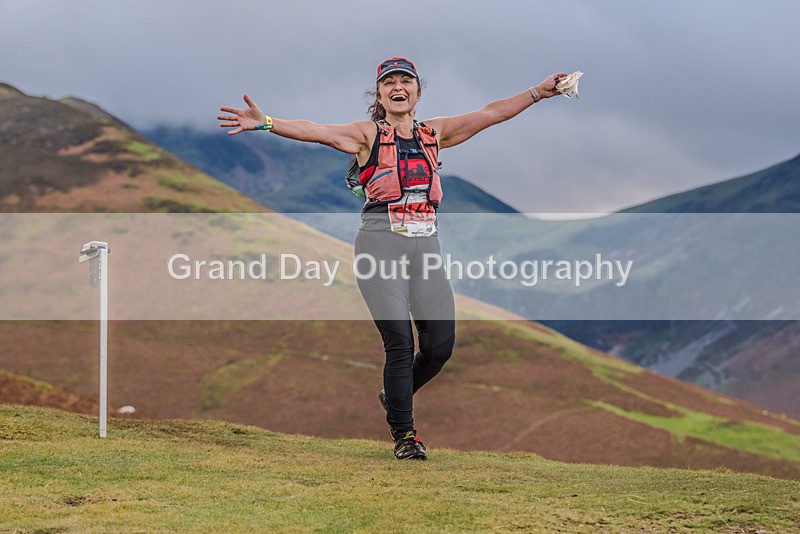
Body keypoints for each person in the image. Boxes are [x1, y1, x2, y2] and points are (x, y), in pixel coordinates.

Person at [218, 57, 567, 460]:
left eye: (406, 81)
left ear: (418, 92)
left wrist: (539, 92)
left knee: (439, 348)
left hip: (426, 247)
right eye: (389, 83)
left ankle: (394, 394)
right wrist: (266, 123)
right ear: (379, 94)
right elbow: (317, 131)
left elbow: (489, 113)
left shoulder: (435, 133)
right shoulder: (366, 135)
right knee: (399, 343)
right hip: (379, 246)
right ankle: (405, 435)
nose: (397, 87)